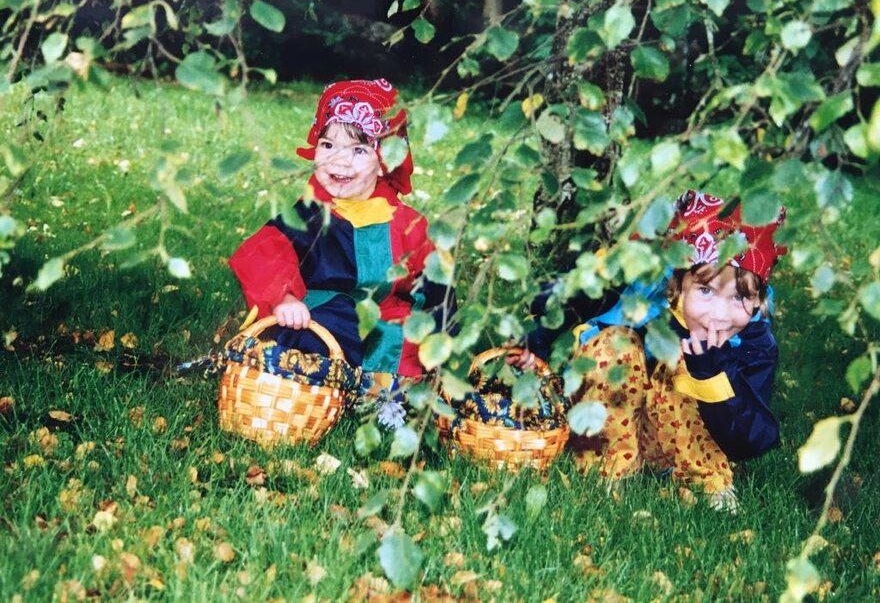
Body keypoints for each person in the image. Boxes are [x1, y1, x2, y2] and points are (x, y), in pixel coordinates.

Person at [514, 190, 787, 510]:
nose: (719, 314)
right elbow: (570, 301)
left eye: (739, 297)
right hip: (621, 424)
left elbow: (752, 440)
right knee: (616, 344)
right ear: (678, 284)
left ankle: (707, 481)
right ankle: (611, 471)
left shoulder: (754, 343)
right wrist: (536, 350)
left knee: (683, 363)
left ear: (758, 301)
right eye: (705, 290)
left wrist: (713, 370)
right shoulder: (644, 300)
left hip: (678, 441)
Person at [228, 79, 455, 415]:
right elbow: (267, 251)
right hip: (321, 317)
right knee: (299, 334)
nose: (340, 161)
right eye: (328, 145)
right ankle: (312, 390)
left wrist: (440, 345)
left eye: (359, 150)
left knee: (403, 339)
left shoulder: (408, 226)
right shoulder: (310, 212)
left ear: (383, 161)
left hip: (383, 322)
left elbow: (437, 291)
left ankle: (385, 402)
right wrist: (284, 298)